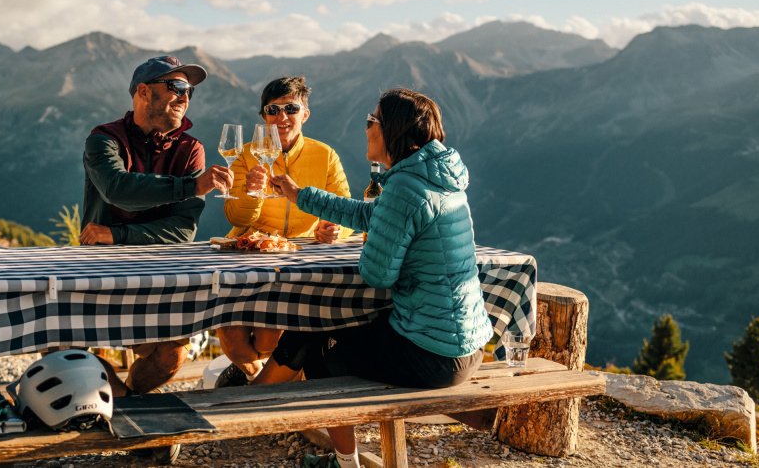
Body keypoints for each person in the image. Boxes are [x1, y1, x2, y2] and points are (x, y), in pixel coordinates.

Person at [259, 88, 493, 468]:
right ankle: (258, 396)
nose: (365, 127)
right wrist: (300, 195)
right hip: (464, 345)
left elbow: (377, 273)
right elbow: (370, 214)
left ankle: (341, 461)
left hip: (431, 354)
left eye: (371, 120)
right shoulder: (433, 176)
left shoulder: (405, 187)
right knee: (323, 324)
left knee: (321, 347)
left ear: (392, 131)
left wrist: (377, 245)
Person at [79, 55, 234, 400]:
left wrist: (117, 235)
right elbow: (119, 190)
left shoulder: (191, 149)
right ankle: (130, 410)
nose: (185, 96)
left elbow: (182, 229)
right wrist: (189, 187)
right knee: (67, 346)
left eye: (189, 90)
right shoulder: (102, 140)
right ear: (144, 92)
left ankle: (128, 401)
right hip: (101, 268)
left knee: (170, 356)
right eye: (177, 87)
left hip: (160, 269)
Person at [216, 76, 352, 384]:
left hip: (299, 255)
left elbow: (344, 210)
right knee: (232, 335)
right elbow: (232, 212)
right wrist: (251, 194)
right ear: (263, 117)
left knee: (267, 341)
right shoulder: (246, 154)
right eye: (272, 109)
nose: (282, 117)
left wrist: (335, 230)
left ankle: (263, 385)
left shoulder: (325, 155)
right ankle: (260, 380)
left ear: (305, 114)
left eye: (291, 108)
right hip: (251, 251)